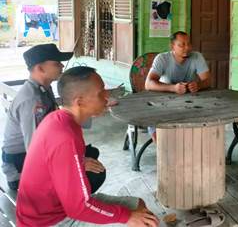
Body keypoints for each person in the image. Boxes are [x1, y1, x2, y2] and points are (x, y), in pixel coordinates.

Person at [16, 66, 159, 227]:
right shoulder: (65, 137)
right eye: (101, 93)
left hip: (58, 208)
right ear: (80, 101)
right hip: (49, 221)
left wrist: (79, 162)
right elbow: (78, 208)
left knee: (137, 205)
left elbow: (53, 162)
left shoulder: (60, 119)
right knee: (139, 221)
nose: (107, 96)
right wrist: (126, 217)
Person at [1, 43, 105, 192]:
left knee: (90, 154)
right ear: (40, 68)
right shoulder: (32, 100)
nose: (62, 66)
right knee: (94, 175)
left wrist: (93, 106)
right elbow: (34, 151)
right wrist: (77, 164)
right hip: (22, 171)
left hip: (31, 155)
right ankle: (69, 206)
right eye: (56, 63)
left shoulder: (43, 88)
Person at [145, 31, 211, 139]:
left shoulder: (197, 57)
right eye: (182, 45)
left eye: (189, 44)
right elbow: (148, 84)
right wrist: (173, 88)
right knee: (156, 126)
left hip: (191, 104)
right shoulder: (162, 58)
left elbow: (208, 80)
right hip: (164, 103)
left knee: (204, 125)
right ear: (172, 46)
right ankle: (164, 152)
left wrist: (198, 85)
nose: (187, 48)